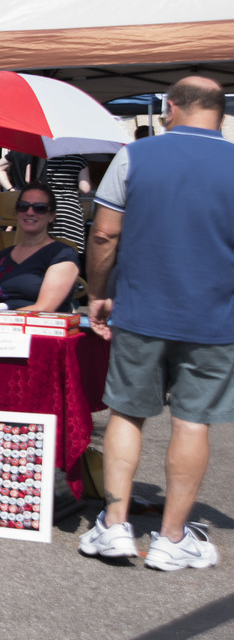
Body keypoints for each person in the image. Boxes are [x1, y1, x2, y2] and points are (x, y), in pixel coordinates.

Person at [81, 75, 234, 571]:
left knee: (127, 413)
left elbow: (104, 234)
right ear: (220, 111)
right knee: (192, 420)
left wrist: (98, 292)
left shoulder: (134, 156)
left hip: (141, 309)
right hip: (214, 316)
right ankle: (171, 538)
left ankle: (115, 525)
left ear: (171, 107)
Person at [0, 181, 80, 311]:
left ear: (51, 216)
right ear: (17, 212)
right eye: (23, 206)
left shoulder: (62, 254)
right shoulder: (1, 258)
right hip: (3, 322)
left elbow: (45, 309)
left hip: (40, 323)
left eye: (39, 208)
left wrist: (0, 316)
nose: (30, 212)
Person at [41, 154, 91, 253]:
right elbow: (85, 188)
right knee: (72, 249)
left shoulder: (50, 159)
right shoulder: (80, 160)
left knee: (50, 249)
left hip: (51, 208)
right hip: (70, 209)